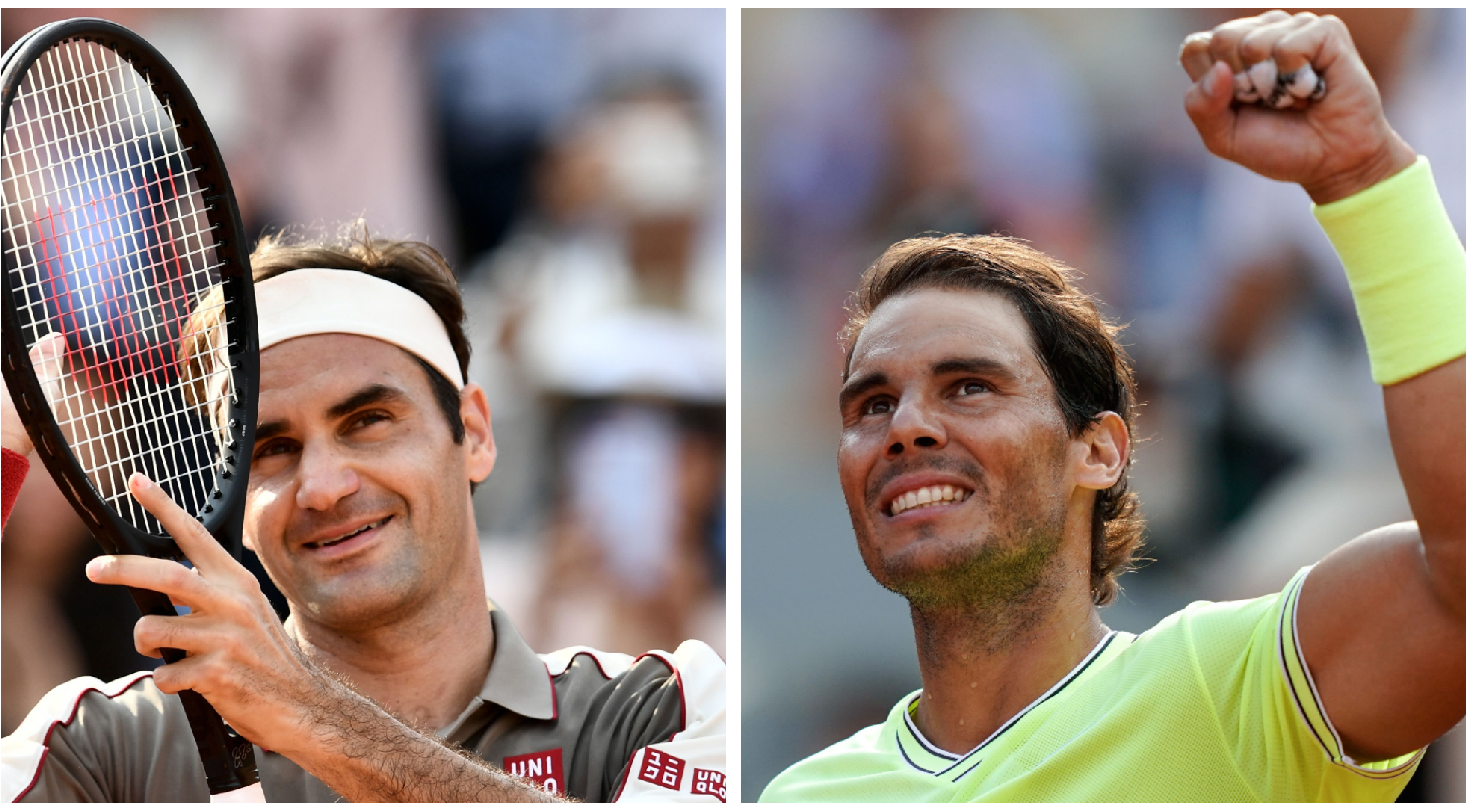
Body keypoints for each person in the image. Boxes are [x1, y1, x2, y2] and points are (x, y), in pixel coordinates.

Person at [760, 11, 1462, 802]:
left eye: (969, 386)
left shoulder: (1232, 688)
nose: (907, 426)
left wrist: (1364, 176)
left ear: (1100, 450)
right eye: (872, 405)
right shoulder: (804, 794)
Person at [0, 230, 726, 803]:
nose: (322, 485)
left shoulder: (663, 705)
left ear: (472, 433)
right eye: (272, 448)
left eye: (369, 421)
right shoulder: (106, 747)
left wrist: (312, 717)